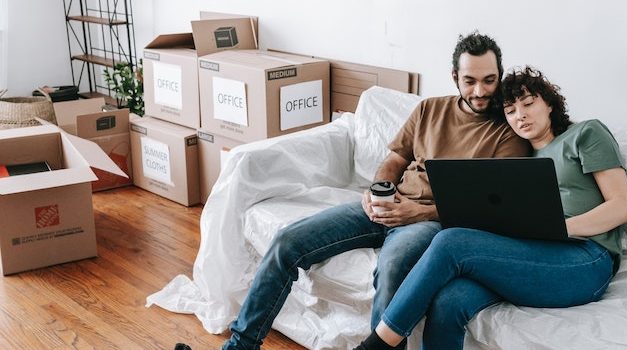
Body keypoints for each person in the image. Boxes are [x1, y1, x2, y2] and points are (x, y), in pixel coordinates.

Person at [196, 32, 530, 350]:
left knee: (392, 267)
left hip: (431, 221)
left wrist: (419, 212)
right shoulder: (431, 109)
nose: (480, 91)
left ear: (499, 75)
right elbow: (396, 157)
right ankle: (240, 344)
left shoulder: (510, 130)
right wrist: (377, 192)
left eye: (489, 80)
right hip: (388, 204)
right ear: (455, 76)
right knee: (288, 242)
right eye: (470, 81)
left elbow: (490, 205)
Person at [354, 66, 627, 350]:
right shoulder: (520, 160)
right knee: (448, 300)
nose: (520, 115)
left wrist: (558, 228)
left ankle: (376, 346)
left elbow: (622, 207)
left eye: (528, 103)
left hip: (586, 260)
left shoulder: (586, 133)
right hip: (534, 252)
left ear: (549, 103)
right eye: (510, 110)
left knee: (450, 242)